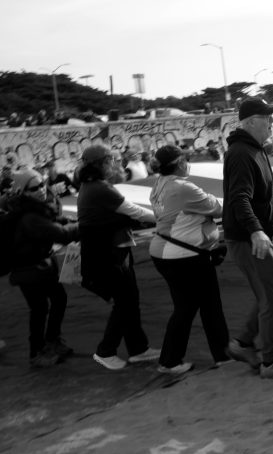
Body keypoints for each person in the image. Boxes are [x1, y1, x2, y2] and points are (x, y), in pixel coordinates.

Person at [223, 98, 273, 379]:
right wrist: (256, 230)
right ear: (250, 122)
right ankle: (270, 361)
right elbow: (238, 198)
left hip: (259, 237)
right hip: (250, 239)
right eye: (266, 118)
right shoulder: (241, 153)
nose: (272, 122)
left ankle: (244, 342)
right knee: (272, 296)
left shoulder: (253, 149)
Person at [76, 145, 160, 370]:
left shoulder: (91, 185)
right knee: (125, 302)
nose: (116, 164)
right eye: (112, 160)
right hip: (106, 255)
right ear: (103, 163)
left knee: (130, 300)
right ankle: (106, 351)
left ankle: (138, 349)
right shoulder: (100, 188)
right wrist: (164, 217)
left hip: (112, 251)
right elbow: (135, 212)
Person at [149, 145, 229, 375]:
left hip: (166, 253)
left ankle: (171, 359)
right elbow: (217, 208)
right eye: (186, 160)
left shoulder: (159, 185)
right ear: (180, 163)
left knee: (185, 307)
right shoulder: (183, 188)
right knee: (208, 306)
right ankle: (214, 356)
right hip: (185, 256)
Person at [7, 168, 79, 368]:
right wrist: (82, 226)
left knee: (58, 299)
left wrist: (69, 222)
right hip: (29, 270)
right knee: (39, 309)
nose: (41, 190)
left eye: (41, 184)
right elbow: (60, 234)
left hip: (41, 266)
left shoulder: (37, 209)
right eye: (34, 188)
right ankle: (36, 352)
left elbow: (55, 222)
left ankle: (52, 341)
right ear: (24, 192)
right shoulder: (29, 216)